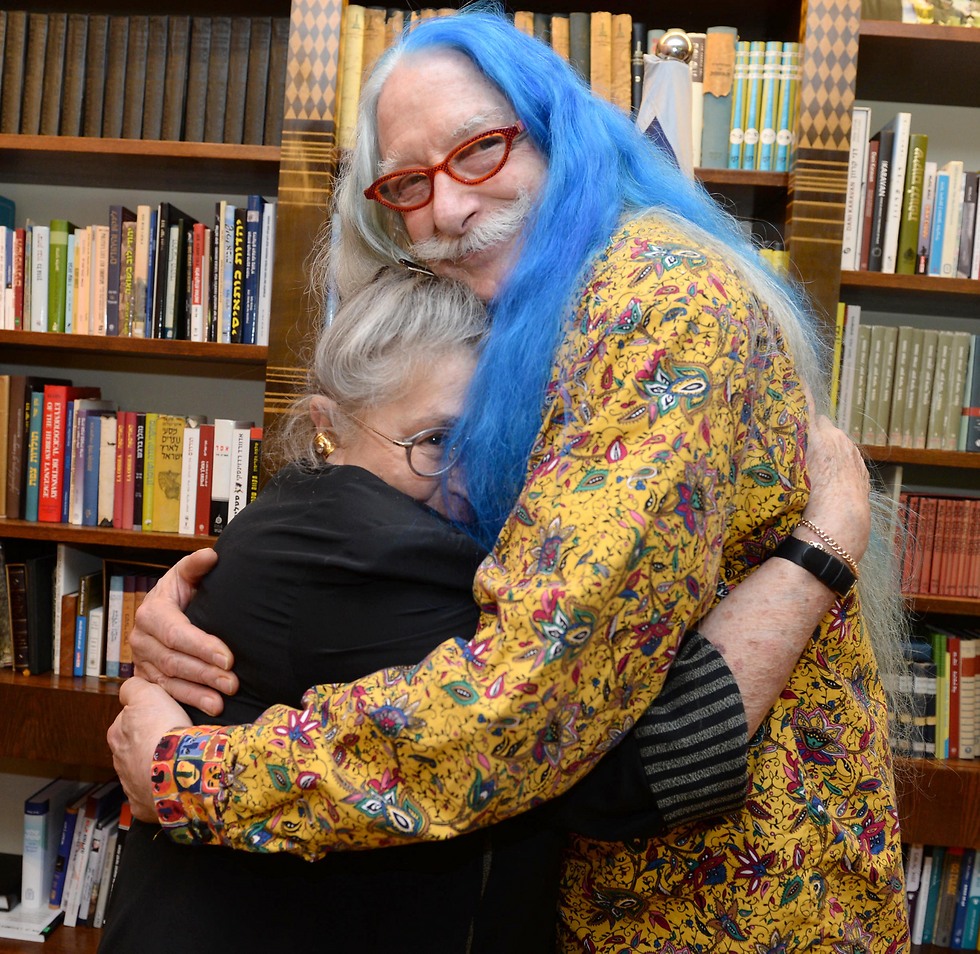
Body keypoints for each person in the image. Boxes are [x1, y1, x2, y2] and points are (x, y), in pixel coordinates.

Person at [109, 9, 909, 950]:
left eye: (480, 149)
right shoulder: (536, 316)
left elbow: (529, 702)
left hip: (723, 907)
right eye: (409, 182)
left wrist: (187, 775)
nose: (446, 208)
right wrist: (204, 602)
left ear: (559, 134)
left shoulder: (653, 304)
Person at [102, 267, 858, 953]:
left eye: (499, 441)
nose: (469, 477)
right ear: (326, 426)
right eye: (436, 440)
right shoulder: (373, 544)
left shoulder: (316, 515)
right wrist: (819, 553)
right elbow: (625, 772)